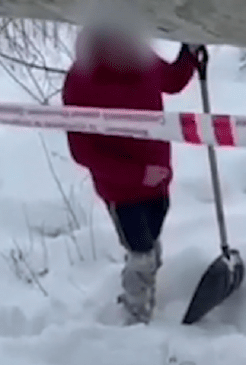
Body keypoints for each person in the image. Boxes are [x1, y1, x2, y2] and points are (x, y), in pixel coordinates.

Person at [61, 22, 205, 324]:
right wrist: (138, 174)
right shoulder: (80, 79)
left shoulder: (141, 58)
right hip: (121, 189)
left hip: (160, 178)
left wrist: (189, 54)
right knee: (140, 251)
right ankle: (134, 314)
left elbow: (172, 80)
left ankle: (147, 278)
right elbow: (82, 150)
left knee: (151, 244)